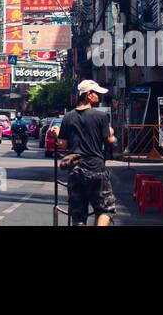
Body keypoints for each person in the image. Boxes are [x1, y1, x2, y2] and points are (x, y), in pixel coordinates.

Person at [59, 79, 117, 226]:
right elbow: (109, 142)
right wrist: (112, 135)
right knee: (106, 209)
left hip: (75, 169)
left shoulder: (68, 117)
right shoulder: (101, 117)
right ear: (89, 95)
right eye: (97, 93)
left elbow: (63, 144)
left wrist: (55, 135)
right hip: (95, 168)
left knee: (78, 215)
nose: (100, 96)